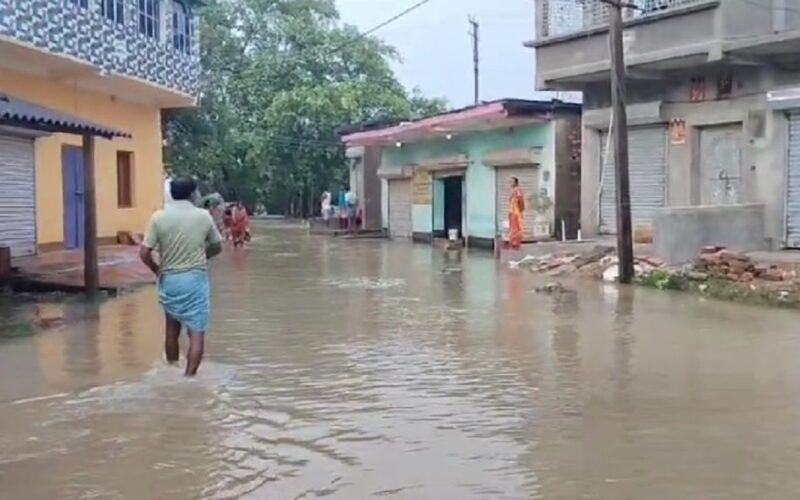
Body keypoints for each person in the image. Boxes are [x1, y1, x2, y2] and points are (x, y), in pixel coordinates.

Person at [139, 178, 222, 376]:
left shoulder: (158, 217)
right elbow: (217, 246)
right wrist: (204, 256)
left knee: (171, 329)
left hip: (169, 280)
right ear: (192, 194)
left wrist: (156, 269)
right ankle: (189, 378)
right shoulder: (203, 217)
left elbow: (143, 253)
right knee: (196, 332)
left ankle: (171, 369)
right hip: (195, 279)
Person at [508, 176, 525, 250]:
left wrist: (520, 211)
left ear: (515, 183)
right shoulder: (513, 190)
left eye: (511, 181)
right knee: (512, 228)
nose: (510, 183)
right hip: (512, 212)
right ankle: (513, 243)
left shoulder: (518, 190)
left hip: (516, 212)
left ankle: (516, 244)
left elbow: (521, 201)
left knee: (516, 228)